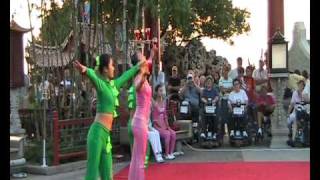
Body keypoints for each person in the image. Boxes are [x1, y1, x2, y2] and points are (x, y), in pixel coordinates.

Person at [73, 53, 145, 180]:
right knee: (92, 174)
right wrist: (85, 70)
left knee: (108, 176)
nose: (114, 68)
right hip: (96, 134)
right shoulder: (101, 86)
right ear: (105, 69)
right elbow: (93, 77)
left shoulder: (113, 86)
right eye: (112, 65)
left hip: (106, 137)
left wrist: (138, 66)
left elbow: (126, 75)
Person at [128, 54, 152, 180]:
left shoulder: (143, 76)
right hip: (139, 122)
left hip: (141, 121)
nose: (145, 59)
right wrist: (143, 75)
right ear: (139, 63)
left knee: (137, 157)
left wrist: (152, 54)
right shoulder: (139, 77)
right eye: (142, 57)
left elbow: (149, 60)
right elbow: (136, 87)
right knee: (140, 158)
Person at [153, 84, 177, 160]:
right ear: (156, 92)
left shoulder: (164, 102)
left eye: (162, 90)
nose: (162, 92)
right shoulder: (154, 103)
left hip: (164, 125)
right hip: (157, 125)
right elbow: (154, 118)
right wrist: (162, 127)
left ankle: (171, 153)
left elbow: (165, 116)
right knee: (167, 134)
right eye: (160, 90)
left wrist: (167, 126)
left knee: (173, 133)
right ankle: (166, 154)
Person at [219, 65, 233, 135]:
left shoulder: (231, 79)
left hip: (230, 99)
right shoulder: (221, 79)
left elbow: (232, 89)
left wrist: (226, 90)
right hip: (223, 99)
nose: (225, 72)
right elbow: (222, 90)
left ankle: (230, 131)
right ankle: (222, 132)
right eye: (224, 70)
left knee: (230, 115)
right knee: (223, 116)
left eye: (226, 71)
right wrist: (228, 90)